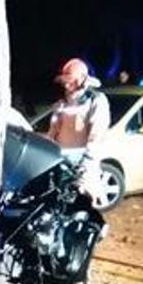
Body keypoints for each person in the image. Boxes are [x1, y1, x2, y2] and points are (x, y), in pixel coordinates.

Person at [45, 58, 111, 201]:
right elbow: (52, 132)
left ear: (82, 79)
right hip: (61, 163)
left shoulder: (96, 101)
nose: (66, 83)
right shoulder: (62, 104)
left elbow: (97, 135)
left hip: (83, 167)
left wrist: (87, 163)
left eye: (70, 79)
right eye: (65, 80)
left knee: (82, 205)